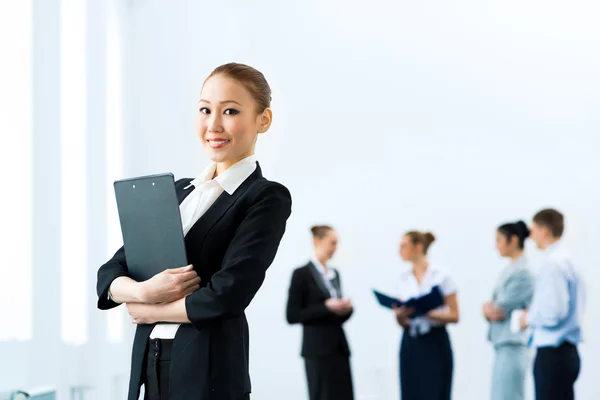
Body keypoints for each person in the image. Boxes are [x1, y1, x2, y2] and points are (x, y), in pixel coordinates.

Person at [96, 63, 292, 400]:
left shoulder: (264, 197)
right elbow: (110, 272)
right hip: (151, 364)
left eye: (230, 111)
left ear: (264, 120)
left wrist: (150, 310)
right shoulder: (177, 191)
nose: (213, 125)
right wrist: (144, 293)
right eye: (205, 109)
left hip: (208, 370)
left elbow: (227, 295)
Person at [519, 208, 584, 400]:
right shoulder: (567, 261)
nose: (531, 236)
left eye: (534, 230)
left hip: (553, 354)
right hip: (565, 353)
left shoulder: (553, 264)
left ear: (545, 231)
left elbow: (554, 312)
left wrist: (527, 318)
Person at [286, 225, 354, 400]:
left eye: (336, 244)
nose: (334, 249)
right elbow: (292, 315)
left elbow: (336, 316)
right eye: (332, 243)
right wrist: (326, 307)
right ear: (317, 241)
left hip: (338, 347)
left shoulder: (334, 274)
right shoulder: (301, 274)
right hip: (316, 349)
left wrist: (346, 309)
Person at [393, 231, 459, 400]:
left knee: (435, 392)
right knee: (411, 392)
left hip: (434, 342)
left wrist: (428, 312)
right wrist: (401, 315)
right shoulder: (402, 278)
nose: (400, 250)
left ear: (418, 247)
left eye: (403, 246)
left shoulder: (441, 275)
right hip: (411, 342)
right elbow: (402, 321)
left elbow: (455, 315)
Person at [483, 220, 534, 400]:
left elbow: (497, 308)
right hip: (503, 345)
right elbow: (492, 309)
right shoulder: (510, 270)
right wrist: (489, 309)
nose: (496, 246)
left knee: (509, 396)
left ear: (513, 240)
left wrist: (490, 309)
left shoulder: (524, 273)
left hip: (514, 345)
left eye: (499, 240)